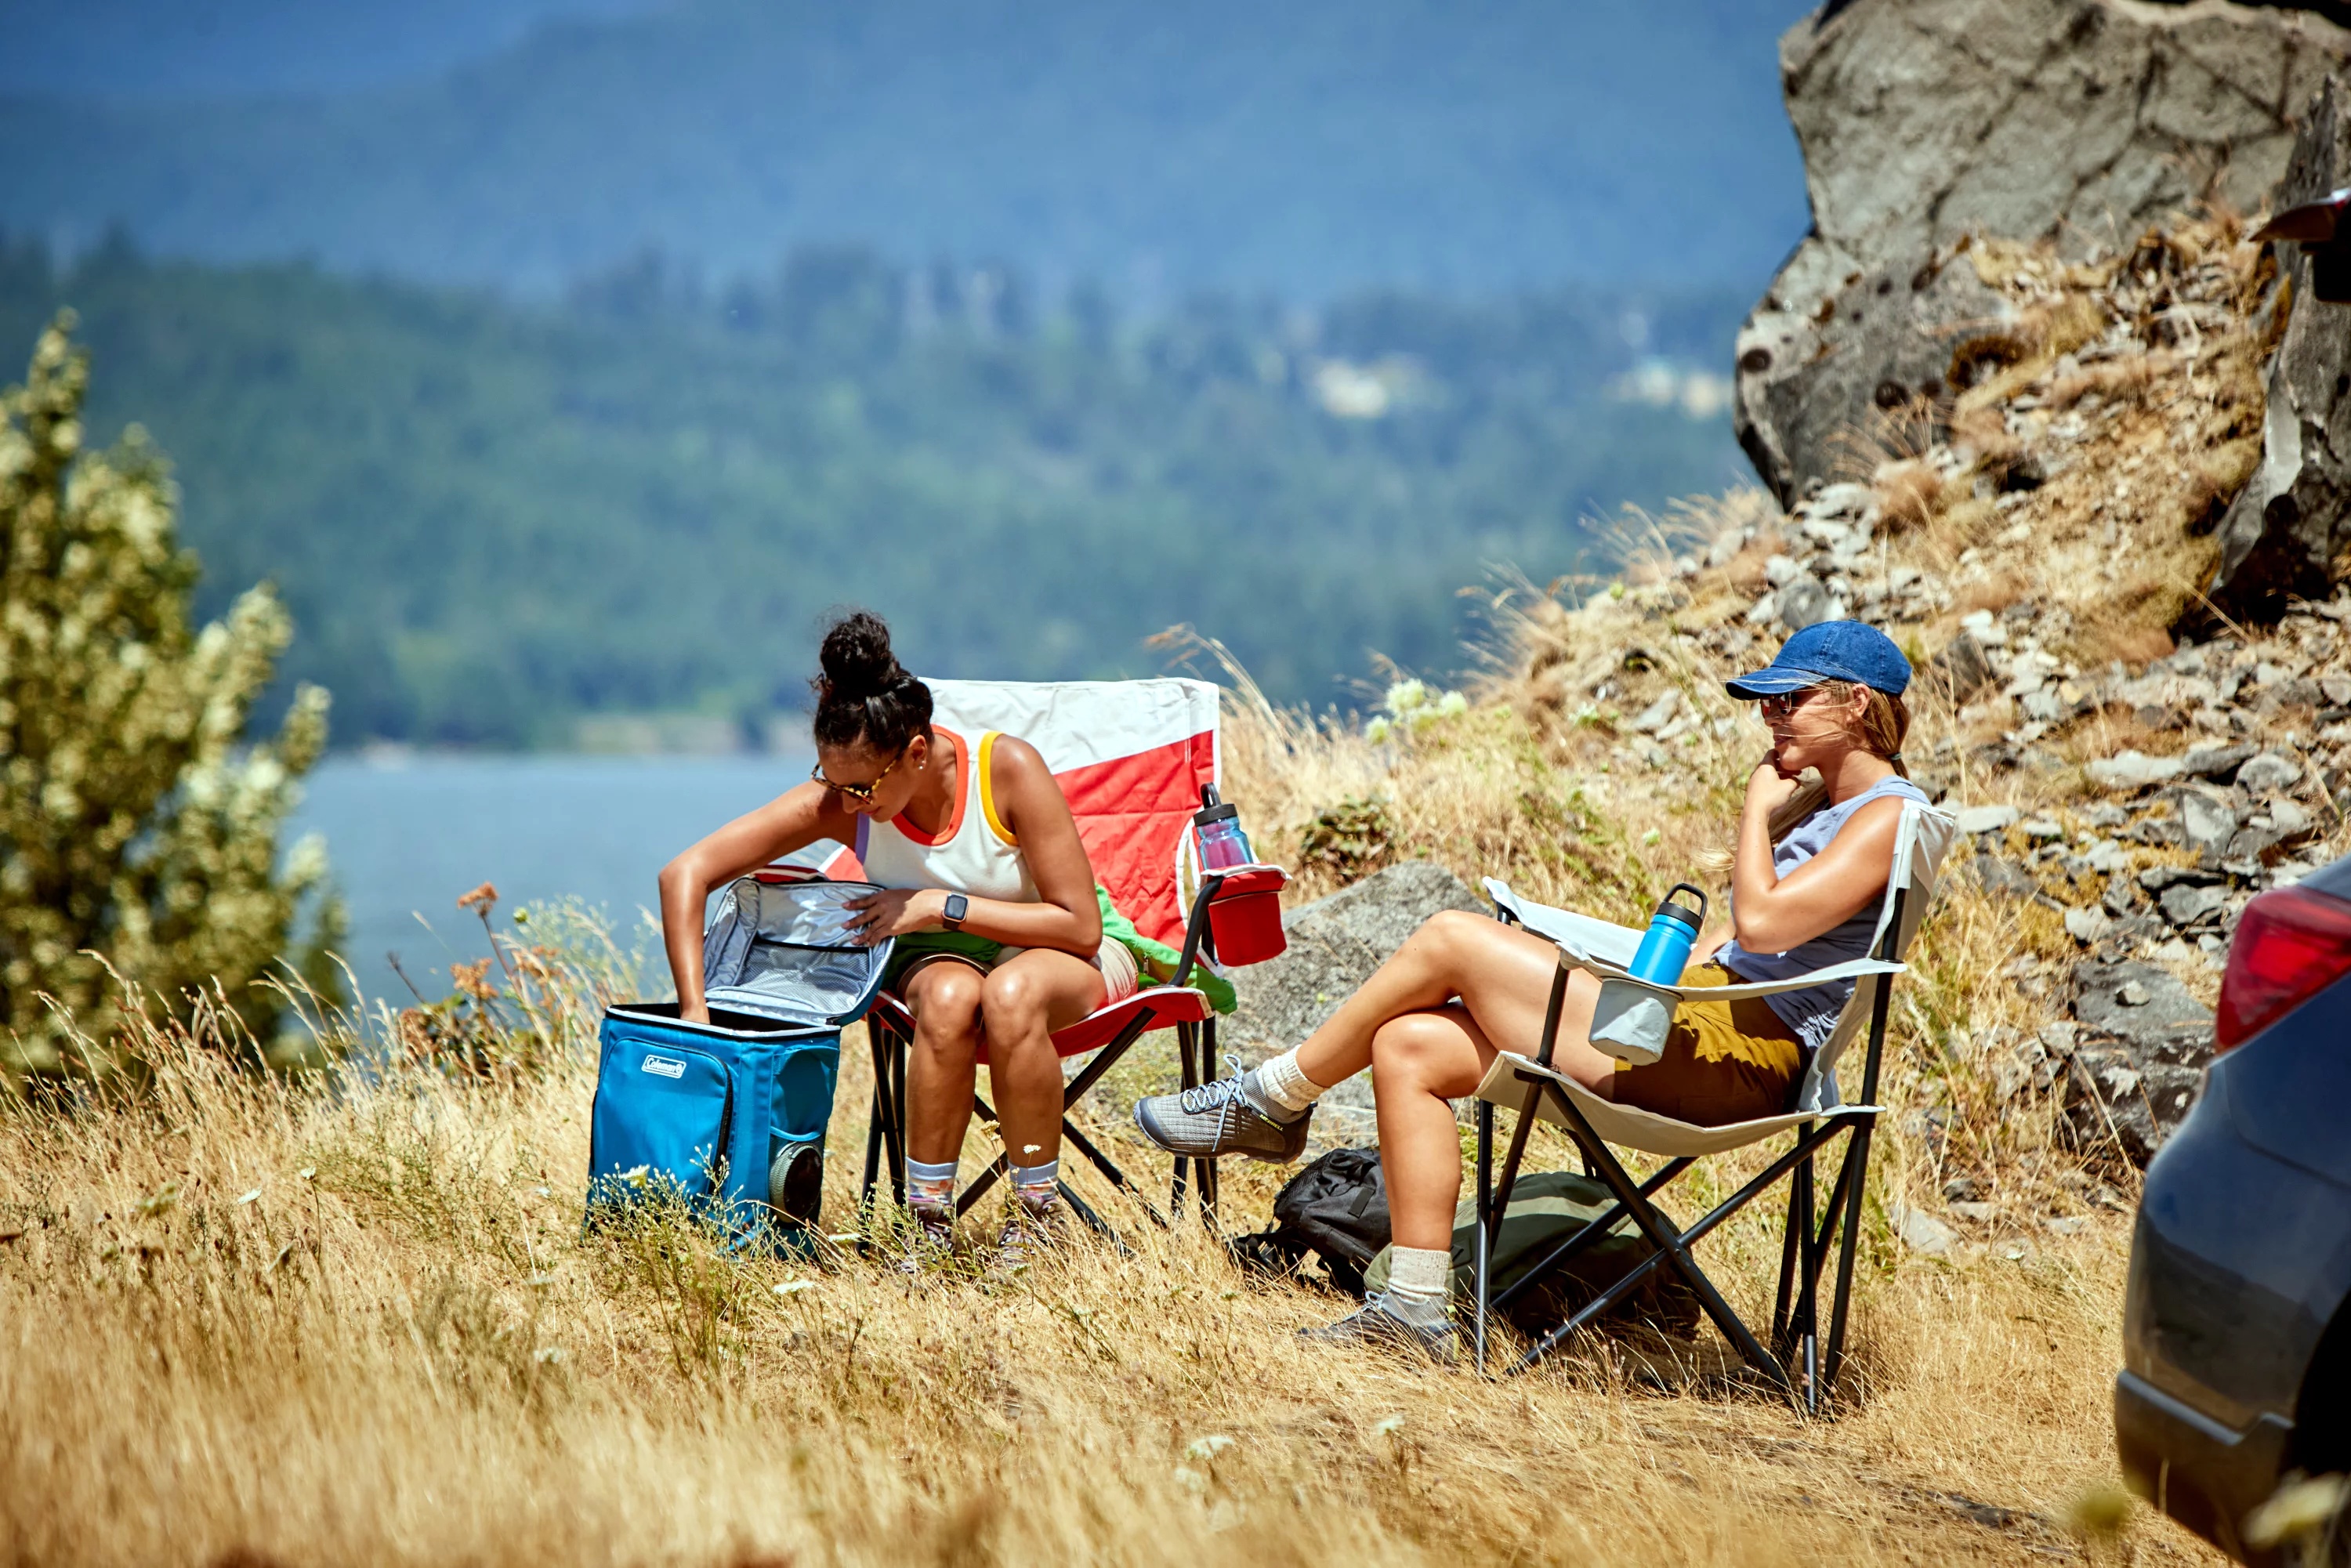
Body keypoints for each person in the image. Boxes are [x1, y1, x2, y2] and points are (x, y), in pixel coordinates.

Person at [1130, 620, 1929, 1358]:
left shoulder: (1889, 817)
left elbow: (1761, 926)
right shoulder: (1833, 808)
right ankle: (1413, 1312)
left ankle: (1272, 1100)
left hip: (1739, 1066)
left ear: (1857, 705)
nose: (1772, 719)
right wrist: (1580, 953)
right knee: (1408, 1044)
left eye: (1789, 700)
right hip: (1687, 1027)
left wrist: (1754, 815)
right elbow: (1732, 950)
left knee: (1451, 935)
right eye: (1768, 703)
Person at [658, 610, 1139, 1267]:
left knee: (1011, 991)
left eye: (862, 787)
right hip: (942, 958)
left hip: (1063, 952)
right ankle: (927, 1224)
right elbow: (685, 873)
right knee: (944, 997)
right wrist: (695, 1014)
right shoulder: (845, 796)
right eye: (834, 783)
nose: (848, 806)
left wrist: (943, 905)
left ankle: (1038, 1219)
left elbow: (1079, 925)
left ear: (917, 750)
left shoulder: (1008, 770)